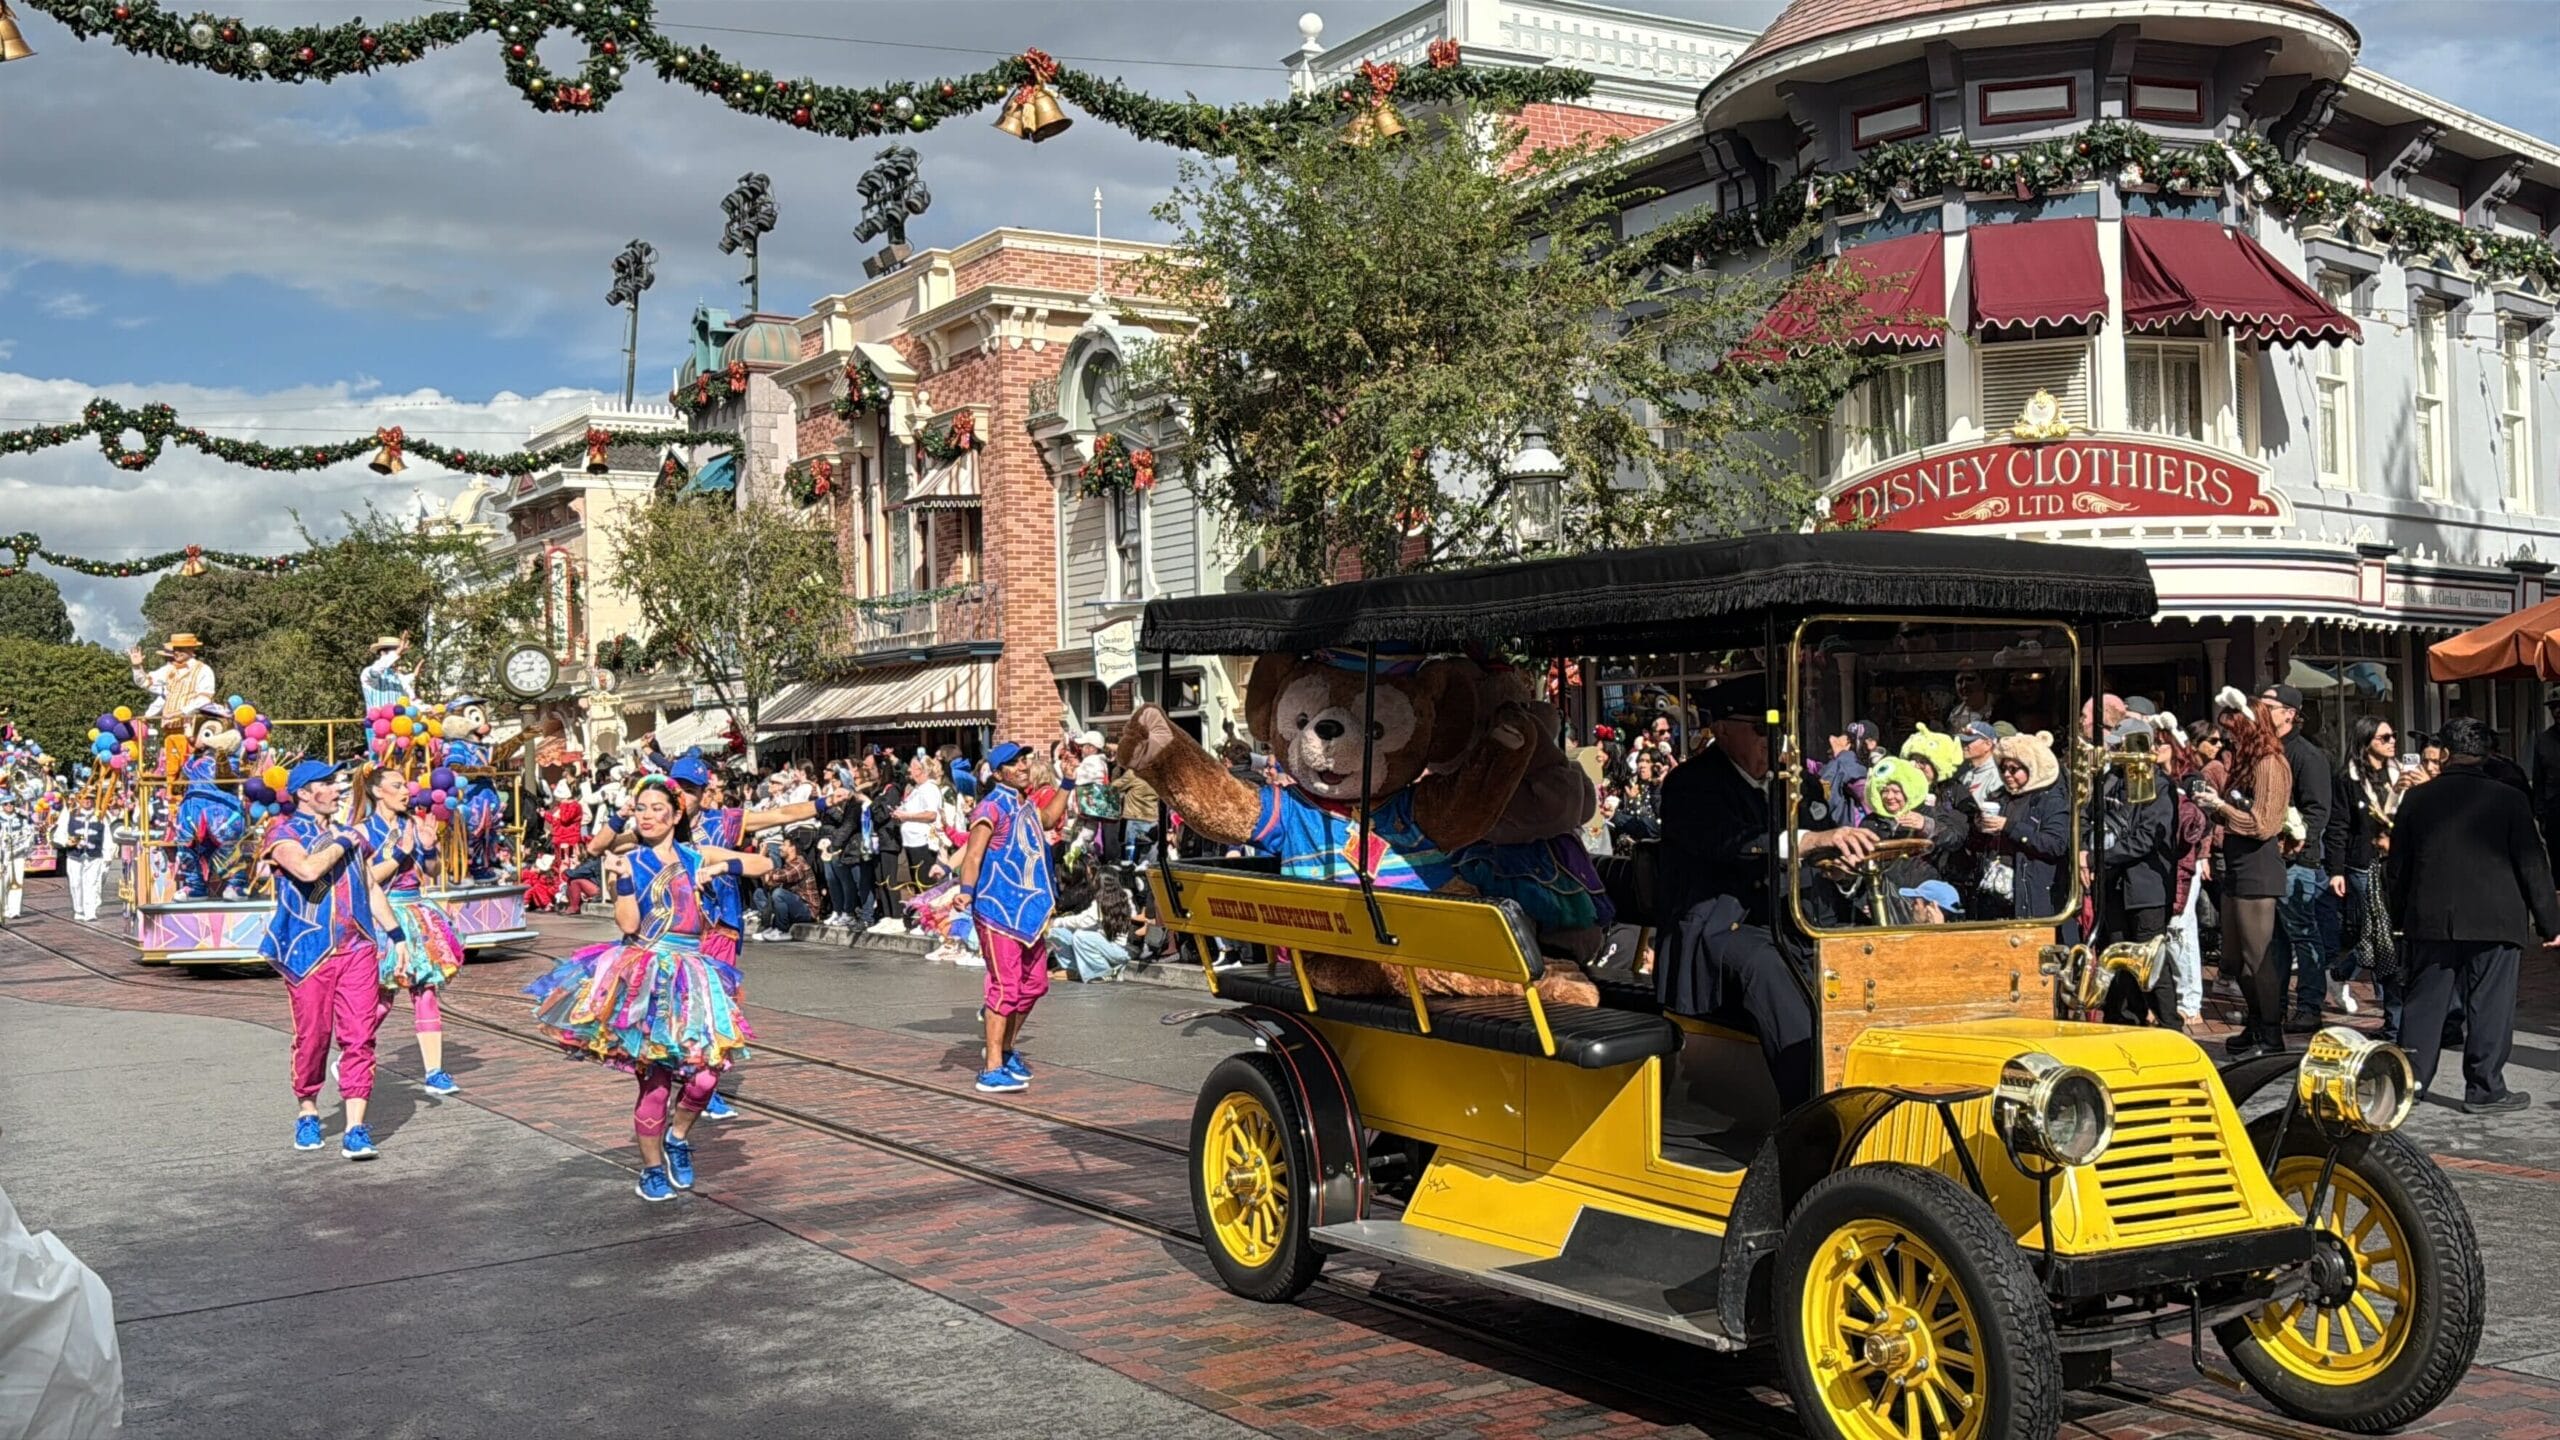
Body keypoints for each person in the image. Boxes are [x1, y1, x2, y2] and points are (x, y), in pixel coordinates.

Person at [526, 777, 773, 1200]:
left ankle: (677, 1136)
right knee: (655, 1081)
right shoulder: (628, 860)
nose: (648, 814)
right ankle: (652, 1169)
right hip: (646, 974)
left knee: (705, 1079)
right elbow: (627, 925)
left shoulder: (696, 856)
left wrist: (721, 867)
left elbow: (762, 866)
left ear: (676, 815)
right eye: (641, 807)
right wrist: (622, 882)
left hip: (693, 973)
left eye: (658, 807)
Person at [1652, 677, 1875, 1110]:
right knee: (1767, 965)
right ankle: (1810, 1110)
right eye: (1759, 728)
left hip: (1785, 919)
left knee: (1855, 952)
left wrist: (1841, 863)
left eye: (1778, 729)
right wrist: (1809, 842)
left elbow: (1817, 847)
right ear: (1721, 730)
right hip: (1716, 925)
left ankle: (1866, 1084)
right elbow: (1729, 843)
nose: (1772, 741)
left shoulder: (1794, 784)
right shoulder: (1691, 783)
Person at [2387, 717, 2560, 1113]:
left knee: (2425, 1002)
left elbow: (2398, 867)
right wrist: (2551, 923)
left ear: (2445, 754)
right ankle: (2484, 1088)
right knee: (2491, 1004)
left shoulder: (2417, 799)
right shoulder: (2510, 799)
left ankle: (2410, 1082)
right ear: (2487, 755)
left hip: (2431, 917)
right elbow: (2533, 864)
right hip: (2496, 917)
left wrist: (2399, 915)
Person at [258, 760, 390, 1160]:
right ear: (303, 793)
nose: (337, 789)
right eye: (327, 784)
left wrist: (397, 934)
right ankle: (308, 1108)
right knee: (314, 1036)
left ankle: (355, 1127)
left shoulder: (346, 835)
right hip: (309, 950)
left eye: (336, 783)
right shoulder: (283, 833)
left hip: (357, 947)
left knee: (360, 1035)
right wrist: (345, 841)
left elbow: (369, 884)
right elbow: (307, 868)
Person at [2196, 700, 2295, 1058]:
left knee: (2258, 955)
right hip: (2236, 863)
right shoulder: (2245, 763)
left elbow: (2264, 824)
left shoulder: (2271, 764)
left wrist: (2221, 808)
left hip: (2258, 866)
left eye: (2233, 729)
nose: (2227, 737)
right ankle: (2255, 1023)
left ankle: (2271, 1031)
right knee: (2233, 958)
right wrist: (2214, 807)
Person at [957, 742, 1057, 1093]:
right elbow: (973, 855)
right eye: (1013, 763)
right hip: (997, 909)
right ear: (998, 773)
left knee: (1035, 985)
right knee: (1005, 987)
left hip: (1028, 912)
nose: (1022, 766)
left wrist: (1070, 786)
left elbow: (1049, 819)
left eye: (1023, 760)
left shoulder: (1025, 802)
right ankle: (991, 1067)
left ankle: (1006, 1047)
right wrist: (966, 892)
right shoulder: (991, 806)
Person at [359, 766, 466, 1095]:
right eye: (396, 786)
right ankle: (354, 1052)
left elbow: (431, 872)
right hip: (385, 916)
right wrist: (400, 853)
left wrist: (430, 848)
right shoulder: (362, 832)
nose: (405, 791)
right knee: (382, 998)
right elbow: (366, 880)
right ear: (378, 792)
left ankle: (434, 1072)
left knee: (426, 990)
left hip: (418, 913)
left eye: (405, 785)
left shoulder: (414, 824)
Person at [2096, 719, 2179, 1028]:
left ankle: (2171, 1025)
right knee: (2117, 956)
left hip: (2146, 886)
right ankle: (2124, 1020)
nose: (2116, 752)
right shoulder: (2110, 781)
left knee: (2150, 958)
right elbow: (2089, 817)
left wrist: (2099, 857)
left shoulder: (2159, 785)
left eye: (2122, 747)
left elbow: (2147, 837)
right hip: (2114, 884)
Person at [2336, 715, 2406, 1033]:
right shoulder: (2348, 780)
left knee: (2381, 936)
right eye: (2385, 737)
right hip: (2364, 864)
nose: (2392, 742)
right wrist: (2335, 870)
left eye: (2393, 736)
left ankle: (2341, 972)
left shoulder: (2401, 776)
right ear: (2366, 744)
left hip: (2396, 865)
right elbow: (2338, 827)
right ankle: (2391, 1015)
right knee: (2378, 935)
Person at [1983, 731, 2072, 926]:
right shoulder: (1999, 797)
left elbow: (2056, 845)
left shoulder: (2051, 800)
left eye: (2014, 769)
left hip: (2033, 895)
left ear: (2032, 768)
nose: (2007, 775)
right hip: (1996, 893)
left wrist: (2010, 827)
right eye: (2003, 768)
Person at [894, 756, 948, 906]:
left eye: (913, 767)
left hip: (923, 841)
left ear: (922, 770)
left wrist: (906, 816)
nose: (909, 770)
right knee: (916, 880)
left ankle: (929, 915)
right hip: (912, 841)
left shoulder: (930, 788)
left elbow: (931, 814)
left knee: (925, 880)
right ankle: (920, 913)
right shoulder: (917, 789)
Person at [126, 633, 215, 721]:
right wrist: (137, 667)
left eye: (180, 649)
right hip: (168, 728)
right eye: (175, 649)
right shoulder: (168, 669)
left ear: (191, 649)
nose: (176, 652)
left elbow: (205, 698)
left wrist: (179, 712)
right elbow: (144, 682)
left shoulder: (203, 670)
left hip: (191, 727)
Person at [60, 787, 109, 923]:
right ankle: (79, 909)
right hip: (75, 855)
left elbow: (107, 836)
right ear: (79, 800)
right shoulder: (70, 814)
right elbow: (60, 832)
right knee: (76, 883)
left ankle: (90, 912)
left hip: (94, 855)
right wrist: (66, 841)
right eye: (85, 798)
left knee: (92, 883)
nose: (87, 801)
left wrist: (107, 854)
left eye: (90, 799)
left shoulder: (100, 815)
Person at [2533, 692, 2560, 852]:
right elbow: (2538, 779)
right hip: (2554, 812)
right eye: (2554, 707)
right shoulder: (2543, 740)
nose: (2558, 711)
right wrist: (2540, 814)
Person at [359, 635, 414, 712]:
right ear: (383, 653)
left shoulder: (398, 678)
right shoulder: (368, 672)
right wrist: (397, 653)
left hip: (397, 723)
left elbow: (409, 700)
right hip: (378, 722)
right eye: (396, 651)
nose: (398, 656)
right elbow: (377, 669)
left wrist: (427, 709)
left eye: (400, 653)